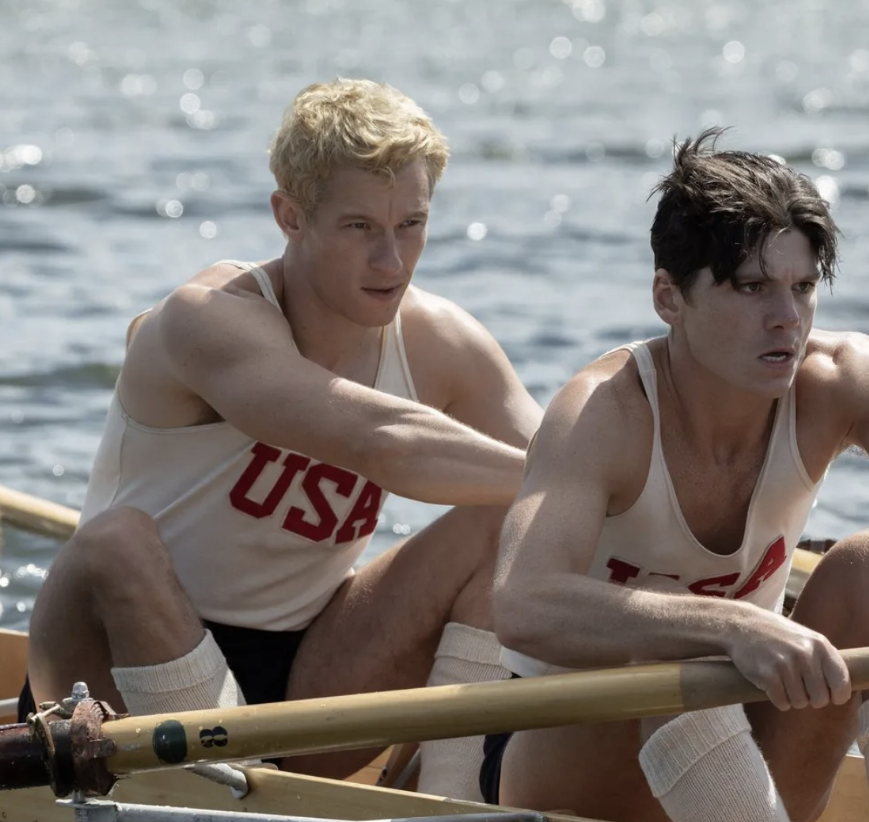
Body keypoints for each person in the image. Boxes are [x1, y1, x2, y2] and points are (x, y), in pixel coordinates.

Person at [486, 129, 869, 822]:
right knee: (659, 627)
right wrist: (728, 625)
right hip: (566, 770)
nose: (786, 319)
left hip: (739, 756)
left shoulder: (839, 380)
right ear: (668, 297)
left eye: (803, 288)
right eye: (752, 288)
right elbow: (523, 603)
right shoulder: (602, 414)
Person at [27, 78, 540, 799]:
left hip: (307, 675)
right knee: (117, 542)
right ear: (289, 215)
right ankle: (226, 795)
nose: (392, 262)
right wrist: (579, 482)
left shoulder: (445, 343)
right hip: (116, 660)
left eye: (412, 225)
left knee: (506, 518)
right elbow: (381, 441)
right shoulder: (205, 319)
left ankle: (452, 802)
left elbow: (566, 473)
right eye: (360, 228)